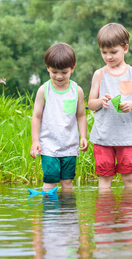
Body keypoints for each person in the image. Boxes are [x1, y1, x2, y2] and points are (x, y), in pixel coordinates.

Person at [88, 23, 132, 189]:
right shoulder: (99, 74)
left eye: (113, 52)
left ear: (125, 48)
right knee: (104, 179)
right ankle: (106, 213)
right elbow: (91, 104)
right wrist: (101, 101)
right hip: (103, 137)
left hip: (126, 137)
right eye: (104, 52)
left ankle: (128, 214)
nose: (108, 57)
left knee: (129, 179)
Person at [30, 42, 88, 195]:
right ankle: (50, 214)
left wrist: (84, 136)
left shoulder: (77, 91)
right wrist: (35, 141)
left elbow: (81, 115)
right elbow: (36, 116)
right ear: (47, 68)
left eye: (64, 72)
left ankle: (68, 214)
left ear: (72, 68)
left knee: (67, 180)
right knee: (50, 179)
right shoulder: (44, 90)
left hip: (69, 145)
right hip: (48, 145)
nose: (59, 76)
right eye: (54, 71)